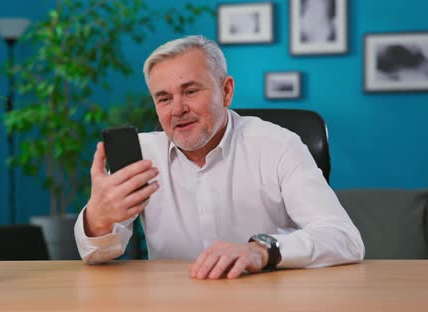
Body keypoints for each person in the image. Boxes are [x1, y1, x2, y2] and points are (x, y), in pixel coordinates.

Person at [74, 35, 364, 279]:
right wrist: (98, 219)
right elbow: (98, 254)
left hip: (270, 298)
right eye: (164, 98)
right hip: (174, 301)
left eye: (190, 91)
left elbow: (344, 238)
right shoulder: (142, 156)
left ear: (226, 91)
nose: (177, 109)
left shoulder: (278, 144)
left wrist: (260, 250)